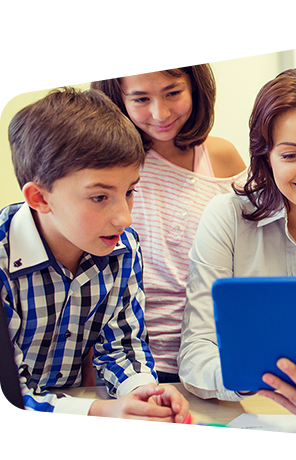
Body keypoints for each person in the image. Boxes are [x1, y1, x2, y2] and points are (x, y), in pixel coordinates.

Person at [178, 68, 296, 425]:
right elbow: (196, 352)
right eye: (291, 155)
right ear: (265, 156)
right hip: (250, 416)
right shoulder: (227, 218)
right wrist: (254, 380)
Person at [2, 87, 189, 421]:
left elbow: (122, 346)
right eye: (100, 197)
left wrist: (143, 394)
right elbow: (9, 396)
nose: (125, 217)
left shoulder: (123, 246)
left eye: (130, 191)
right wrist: (103, 411)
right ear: (40, 198)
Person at [91, 65, 247, 383]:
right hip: (129, 363)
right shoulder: (106, 168)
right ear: (118, 99)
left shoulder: (222, 156)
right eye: (140, 99)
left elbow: (250, 250)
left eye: (172, 93)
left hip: (214, 358)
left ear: (194, 87)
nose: (160, 113)